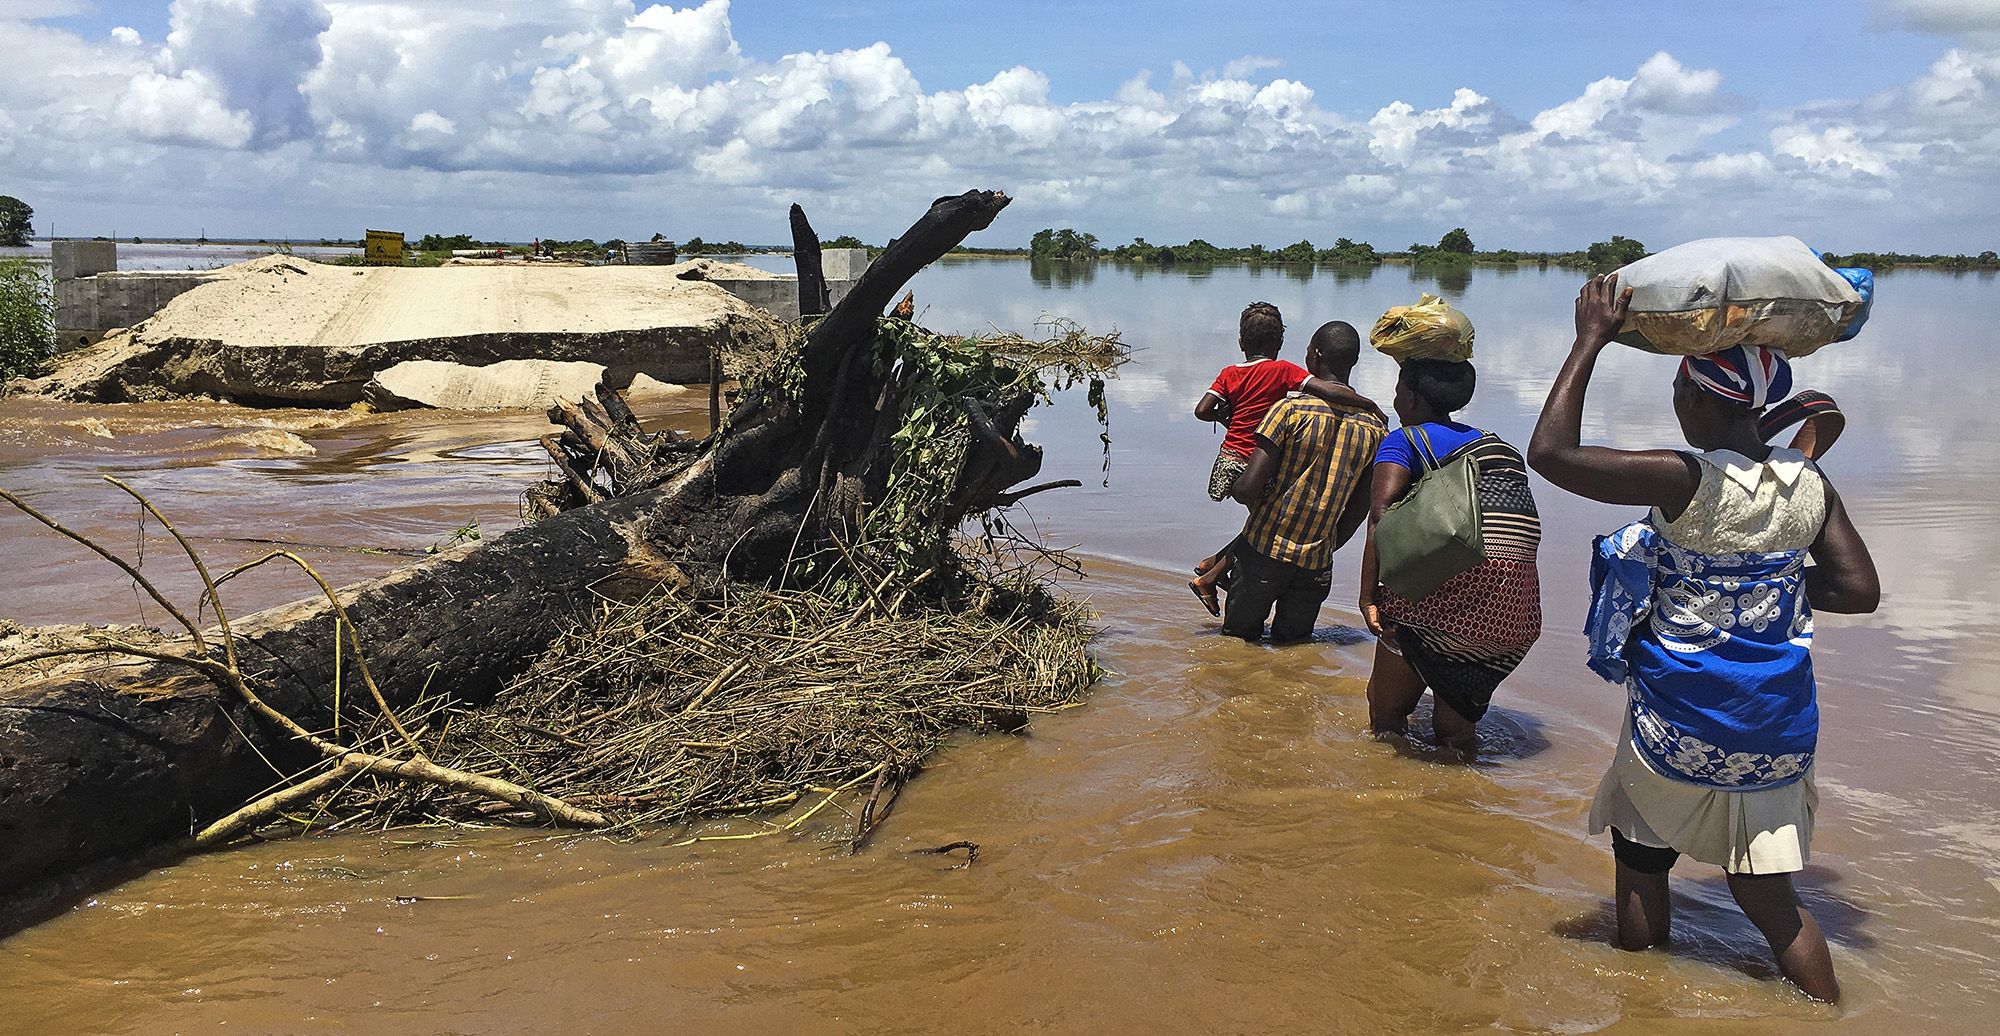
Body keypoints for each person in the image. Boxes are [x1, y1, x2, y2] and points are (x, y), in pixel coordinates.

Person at [1526, 274, 1880, 1003]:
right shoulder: (1809, 483)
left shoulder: (1683, 477)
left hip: (1678, 720)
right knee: (1772, 901)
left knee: (1643, 862)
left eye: (1680, 395)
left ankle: (1643, 1005)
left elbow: (1552, 453)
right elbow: (1857, 590)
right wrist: (1757, 590)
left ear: (1693, 400)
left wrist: (1589, 338)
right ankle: (1832, 1013)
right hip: (1775, 729)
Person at [1357, 358, 1542, 750]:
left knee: (1385, 713)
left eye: (1396, 391)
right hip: (1509, 618)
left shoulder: (1404, 441)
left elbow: (1381, 519)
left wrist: (1368, 598)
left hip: (1437, 610)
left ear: (1410, 397)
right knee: (1455, 734)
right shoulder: (1501, 447)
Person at [1190, 310, 1381, 614]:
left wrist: (1229, 420)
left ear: (1241, 341)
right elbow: (1363, 506)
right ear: (1279, 342)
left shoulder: (1247, 385)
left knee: (1261, 525)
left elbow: (1202, 411)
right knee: (1267, 520)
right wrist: (1368, 404)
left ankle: (1212, 569)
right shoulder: (1374, 428)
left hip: (1229, 467)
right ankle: (1211, 571)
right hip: (1313, 559)